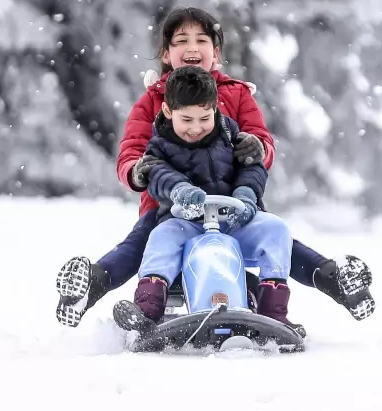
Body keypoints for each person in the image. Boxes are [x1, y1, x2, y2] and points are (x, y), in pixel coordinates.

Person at [54, 6, 374, 327]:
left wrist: (256, 153)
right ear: (166, 53)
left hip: (234, 202)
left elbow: (260, 146)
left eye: (201, 40)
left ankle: (336, 281)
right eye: (181, 41)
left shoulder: (235, 95)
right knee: (141, 245)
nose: (192, 47)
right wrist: (143, 173)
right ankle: (91, 289)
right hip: (170, 207)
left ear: (215, 52)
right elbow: (133, 154)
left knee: (280, 241)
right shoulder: (153, 101)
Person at [110, 65, 298, 332]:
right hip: (186, 222)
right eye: (186, 120)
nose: (196, 128)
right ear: (168, 111)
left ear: (215, 110)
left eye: (204, 118)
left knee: (277, 229)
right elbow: (157, 173)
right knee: (160, 238)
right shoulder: (160, 144)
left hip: (231, 219)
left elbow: (252, 166)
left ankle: (273, 312)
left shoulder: (231, 134)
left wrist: (246, 195)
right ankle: (148, 310)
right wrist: (180, 191)